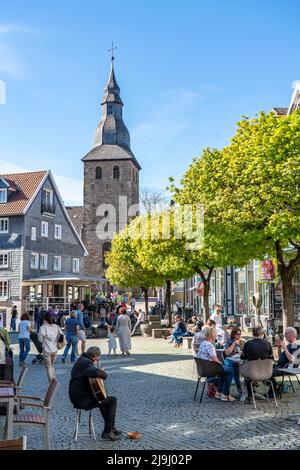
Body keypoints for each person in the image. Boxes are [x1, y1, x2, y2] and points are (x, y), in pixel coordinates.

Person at [69, 346, 121, 441]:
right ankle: (108, 431)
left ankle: (110, 428)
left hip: (78, 396)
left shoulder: (82, 359)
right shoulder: (86, 363)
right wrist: (102, 372)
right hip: (82, 399)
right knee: (112, 400)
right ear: (96, 357)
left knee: (103, 400)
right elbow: (101, 374)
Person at [197, 327, 235, 402]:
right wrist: (220, 363)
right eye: (215, 335)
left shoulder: (203, 343)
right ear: (212, 335)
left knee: (224, 372)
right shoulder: (209, 345)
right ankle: (225, 394)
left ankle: (219, 393)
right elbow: (214, 359)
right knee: (230, 370)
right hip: (209, 369)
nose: (216, 336)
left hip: (203, 369)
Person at [240, 325, 273, 401]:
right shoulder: (268, 344)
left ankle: (250, 395)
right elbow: (271, 358)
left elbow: (242, 357)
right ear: (263, 334)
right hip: (266, 373)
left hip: (252, 373)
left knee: (246, 375)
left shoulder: (248, 344)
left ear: (252, 334)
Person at [268, 326, 300, 395]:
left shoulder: (295, 345)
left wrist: (284, 348)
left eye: (286, 333)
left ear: (292, 335)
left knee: (266, 373)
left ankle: (274, 390)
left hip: (285, 368)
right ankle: (275, 388)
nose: (285, 335)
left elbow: (292, 360)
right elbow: (280, 358)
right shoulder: (290, 345)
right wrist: (279, 348)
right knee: (263, 370)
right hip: (280, 366)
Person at [38, 312, 63, 383]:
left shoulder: (43, 327)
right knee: (52, 365)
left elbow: (40, 339)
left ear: (44, 319)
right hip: (55, 349)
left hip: (47, 349)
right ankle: (54, 380)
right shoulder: (56, 326)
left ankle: (52, 383)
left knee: (48, 367)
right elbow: (61, 335)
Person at [224, 326, 243, 397]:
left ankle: (240, 391)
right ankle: (226, 392)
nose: (239, 336)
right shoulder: (229, 341)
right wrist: (234, 344)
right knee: (232, 372)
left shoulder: (240, 342)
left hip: (237, 361)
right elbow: (227, 353)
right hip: (229, 361)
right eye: (237, 334)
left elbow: (240, 352)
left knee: (237, 375)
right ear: (233, 334)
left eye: (240, 334)